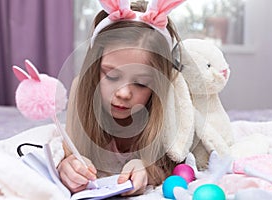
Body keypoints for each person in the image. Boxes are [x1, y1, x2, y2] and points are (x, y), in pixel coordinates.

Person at [57, 0, 193, 196]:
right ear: (94, 69)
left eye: (141, 83)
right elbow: (71, 151)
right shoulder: (81, 87)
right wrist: (69, 167)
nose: (123, 93)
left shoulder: (170, 103)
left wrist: (148, 170)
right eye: (111, 76)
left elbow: (177, 163)